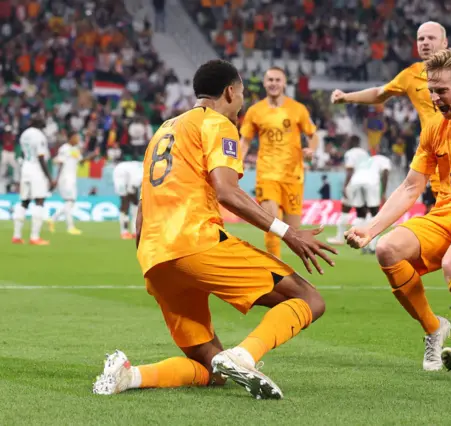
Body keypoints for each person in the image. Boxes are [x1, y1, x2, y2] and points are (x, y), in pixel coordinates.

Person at [92, 59, 336, 400]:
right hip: (196, 242)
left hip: (155, 258)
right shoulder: (217, 123)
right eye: (241, 95)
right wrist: (288, 232)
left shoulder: (164, 130)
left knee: (210, 370)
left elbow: (142, 210)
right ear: (229, 91)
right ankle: (245, 355)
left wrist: (150, 262)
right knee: (309, 298)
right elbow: (227, 191)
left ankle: (129, 376)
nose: (242, 103)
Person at [345, 49, 451, 380]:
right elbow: (411, 187)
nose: (434, 99)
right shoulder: (436, 128)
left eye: (441, 91)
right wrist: (371, 230)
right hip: (444, 211)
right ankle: (433, 327)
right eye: (431, 91)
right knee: (387, 250)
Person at [331, 20, 451, 320]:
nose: (424, 43)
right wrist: (347, 97)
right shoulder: (411, 75)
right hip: (435, 162)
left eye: (431, 38)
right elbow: (380, 93)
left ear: (445, 41)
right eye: (420, 38)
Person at [240, 67, 318, 258]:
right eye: (270, 80)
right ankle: (276, 273)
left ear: (284, 83)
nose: (274, 83)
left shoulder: (297, 109)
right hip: (267, 174)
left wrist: (312, 149)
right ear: (264, 84)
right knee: (273, 226)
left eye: (277, 80)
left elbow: (313, 135)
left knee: (294, 232)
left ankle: (293, 276)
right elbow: (245, 141)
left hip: (293, 176)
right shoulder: (255, 111)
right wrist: (236, 163)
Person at [12, 116, 54, 245]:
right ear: (40, 123)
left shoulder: (24, 134)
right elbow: (41, 157)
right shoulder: (39, 136)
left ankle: (17, 236)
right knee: (39, 201)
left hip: (26, 167)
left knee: (24, 201)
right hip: (36, 169)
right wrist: (49, 178)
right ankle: (35, 237)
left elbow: (24, 153)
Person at [48, 132, 98, 234]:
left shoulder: (75, 150)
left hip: (72, 178)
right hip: (65, 178)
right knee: (69, 201)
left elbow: (81, 161)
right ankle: (70, 227)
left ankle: (52, 219)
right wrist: (56, 180)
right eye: (76, 137)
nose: (78, 140)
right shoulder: (64, 148)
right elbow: (60, 163)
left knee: (70, 202)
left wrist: (92, 156)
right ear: (70, 138)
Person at [327, 135, 370, 245]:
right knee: (362, 212)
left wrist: (345, 186)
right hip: (365, 183)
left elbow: (350, 170)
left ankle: (340, 238)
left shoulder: (350, 153)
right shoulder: (365, 153)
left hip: (354, 183)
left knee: (345, 209)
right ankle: (361, 238)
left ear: (351, 142)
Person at [112, 159, 144, 239]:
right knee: (125, 202)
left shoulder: (142, 168)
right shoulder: (142, 172)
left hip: (126, 172)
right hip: (120, 174)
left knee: (134, 202)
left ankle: (134, 231)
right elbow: (134, 186)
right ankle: (124, 232)